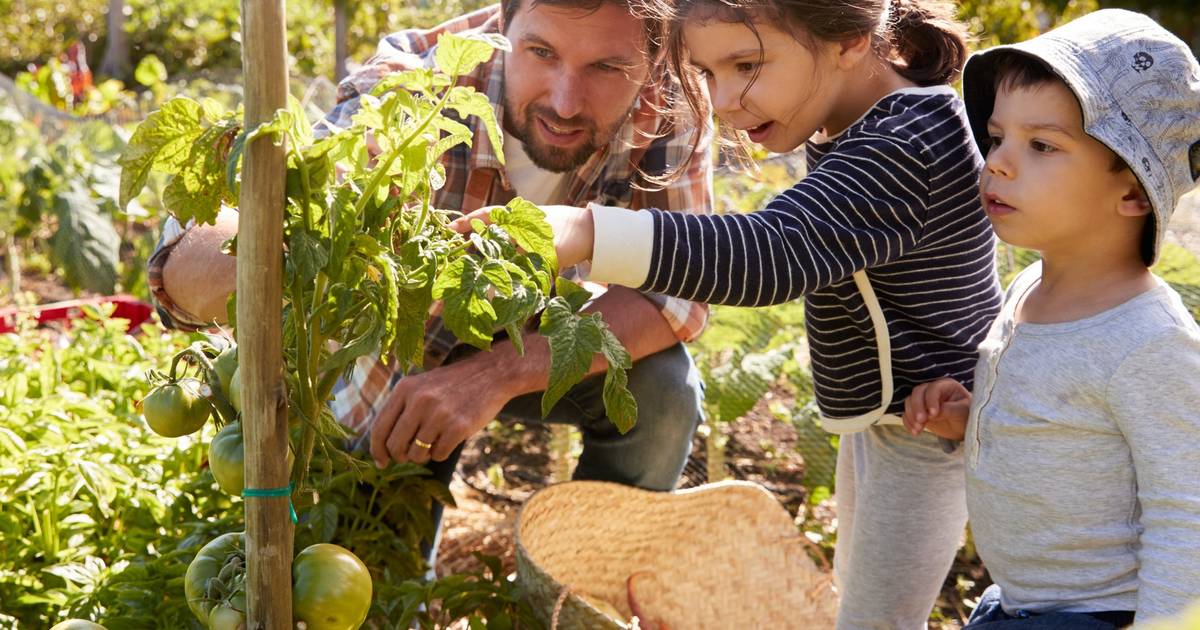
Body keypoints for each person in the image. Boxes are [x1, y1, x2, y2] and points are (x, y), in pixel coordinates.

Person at [459, 0, 1004, 626]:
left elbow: (768, 253)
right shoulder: (868, 118)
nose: (721, 100)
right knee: (861, 602)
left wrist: (588, 232)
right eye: (706, 73)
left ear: (851, 39)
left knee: (876, 620)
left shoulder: (906, 146)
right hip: (899, 418)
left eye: (746, 65)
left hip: (931, 427)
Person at [147, 0, 714, 572]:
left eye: (607, 68)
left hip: (528, 340)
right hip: (393, 369)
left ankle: (583, 588)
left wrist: (496, 374)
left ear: (654, 57)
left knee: (662, 390)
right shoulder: (418, 82)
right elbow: (222, 243)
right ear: (504, 21)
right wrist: (284, 245)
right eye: (541, 53)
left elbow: (680, 293)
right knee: (368, 578)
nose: (565, 102)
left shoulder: (670, 105)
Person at [901, 9, 1200, 628]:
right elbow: (1066, 424)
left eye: (1041, 145)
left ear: (1134, 193)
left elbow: (1187, 512)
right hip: (1017, 603)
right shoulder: (1029, 286)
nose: (999, 162)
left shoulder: (1148, 343)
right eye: (997, 136)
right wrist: (973, 417)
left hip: (1098, 614)